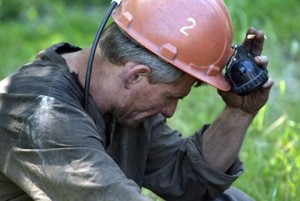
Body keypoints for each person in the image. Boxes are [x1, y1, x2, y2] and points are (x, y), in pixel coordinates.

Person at [0, 0, 273, 200]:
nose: (169, 111)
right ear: (135, 76)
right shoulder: (41, 113)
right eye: (170, 97)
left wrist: (239, 113)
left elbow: (186, 179)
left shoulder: (123, 104)